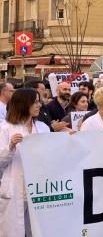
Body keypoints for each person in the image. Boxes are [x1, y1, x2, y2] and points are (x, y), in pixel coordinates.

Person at [0, 88, 50, 236]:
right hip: (15, 188)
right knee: (14, 230)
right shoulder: (5, 129)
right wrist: (10, 147)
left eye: (39, 101)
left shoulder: (42, 128)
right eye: (35, 102)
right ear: (23, 104)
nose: (39, 105)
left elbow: (53, 156)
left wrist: (68, 138)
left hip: (39, 188)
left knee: (37, 230)